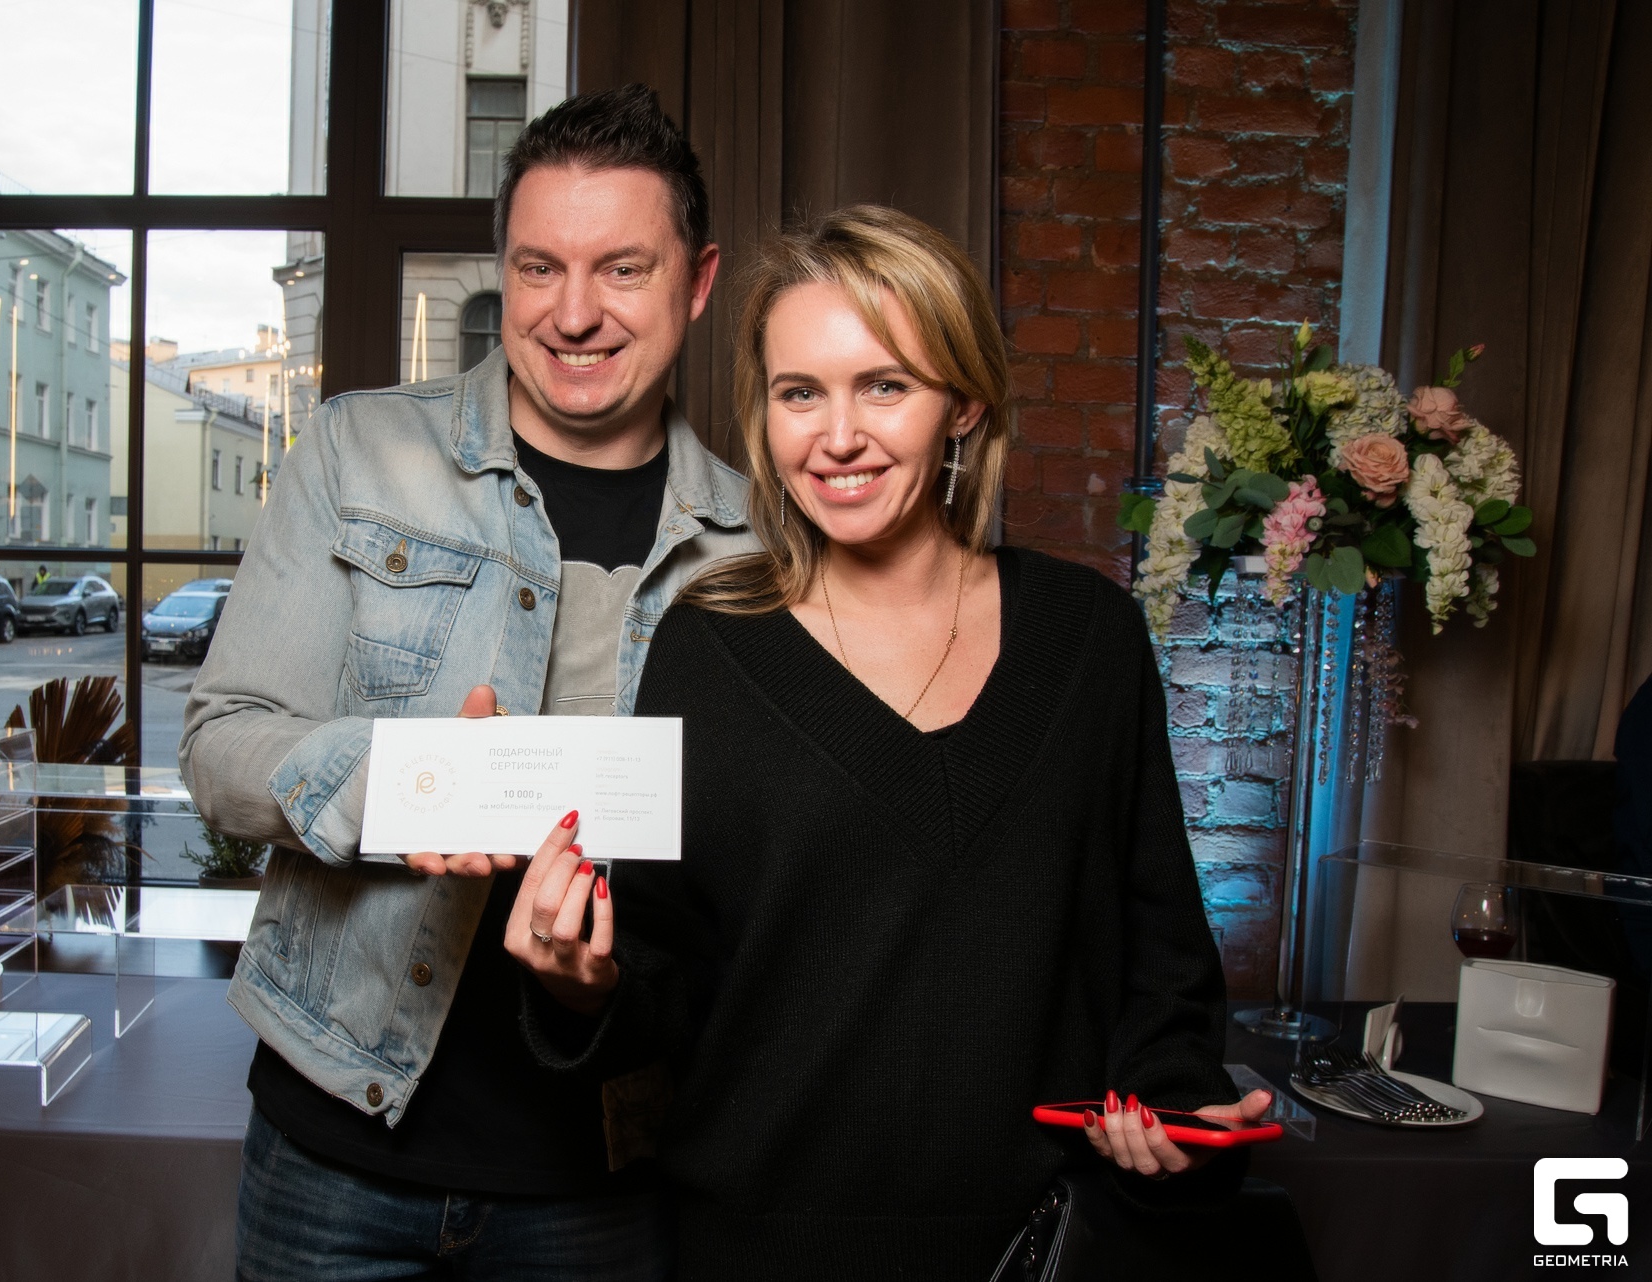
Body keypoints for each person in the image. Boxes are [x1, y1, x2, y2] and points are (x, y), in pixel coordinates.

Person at [503, 206, 1271, 1280]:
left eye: (884, 386)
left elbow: (1163, 958)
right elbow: (666, 983)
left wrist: (1169, 1100)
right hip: (761, 1252)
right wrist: (577, 984)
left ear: (963, 402)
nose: (837, 437)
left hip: (1042, 1248)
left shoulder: (1087, 636)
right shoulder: (709, 645)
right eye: (799, 393)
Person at [179, 85, 755, 1280]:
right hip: (334, 1147)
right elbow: (221, 746)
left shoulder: (757, 544)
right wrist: (404, 781)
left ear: (697, 283)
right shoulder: (356, 449)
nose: (574, 313)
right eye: (540, 267)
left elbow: (757, 884)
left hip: (602, 1177)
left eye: (623, 269)